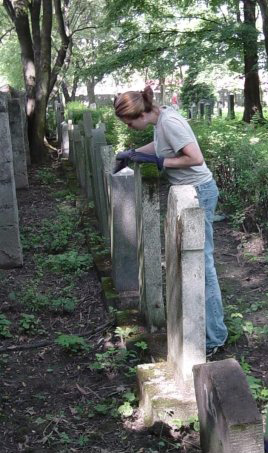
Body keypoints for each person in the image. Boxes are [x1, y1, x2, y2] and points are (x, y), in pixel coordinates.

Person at [113, 86, 228, 356]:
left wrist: (158, 161)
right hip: (186, 191)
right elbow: (162, 145)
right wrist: (133, 152)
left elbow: (195, 158)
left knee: (203, 264)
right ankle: (199, 324)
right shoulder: (160, 119)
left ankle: (215, 337)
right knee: (191, 262)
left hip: (199, 192)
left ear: (141, 113)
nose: (129, 126)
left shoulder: (171, 121)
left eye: (129, 122)